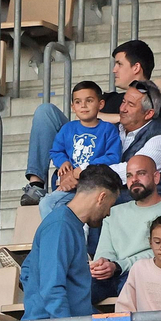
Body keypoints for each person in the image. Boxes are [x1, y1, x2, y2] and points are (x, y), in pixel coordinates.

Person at [20, 164, 122, 321]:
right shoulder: (60, 225)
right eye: (110, 205)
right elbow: (51, 287)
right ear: (101, 197)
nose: (107, 213)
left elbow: (27, 271)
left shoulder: (67, 224)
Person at [23, 40, 157, 206]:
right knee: (46, 111)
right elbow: (87, 117)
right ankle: (36, 184)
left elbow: (143, 123)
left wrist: (113, 118)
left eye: (119, 64)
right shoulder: (110, 97)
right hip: (82, 141)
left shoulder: (151, 99)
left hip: (104, 156)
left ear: (136, 68)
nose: (114, 70)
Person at [91, 155, 161, 304]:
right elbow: (104, 250)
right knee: (75, 291)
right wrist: (103, 263)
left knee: (132, 288)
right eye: (129, 175)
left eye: (141, 173)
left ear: (156, 177)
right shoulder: (114, 211)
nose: (134, 179)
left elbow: (160, 254)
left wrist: (118, 266)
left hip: (144, 275)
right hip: (110, 273)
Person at [36, 81, 123, 219]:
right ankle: (52, 234)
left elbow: (113, 157)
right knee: (46, 203)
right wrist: (63, 162)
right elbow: (56, 151)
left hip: (94, 186)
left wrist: (84, 168)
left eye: (89, 100)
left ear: (100, 104)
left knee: (82, 218)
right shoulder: (67, 129)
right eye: (78, 102)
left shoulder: (108, 129)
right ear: (73, 107)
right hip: (70, 186)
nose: (83, 105)